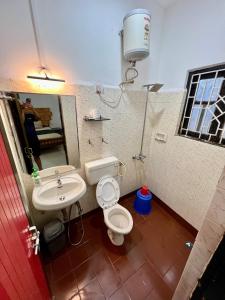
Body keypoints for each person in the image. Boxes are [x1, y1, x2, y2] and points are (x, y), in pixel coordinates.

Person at [21, 98, 43, 170]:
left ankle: (41, 169)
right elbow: (22, 122)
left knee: (36, 155)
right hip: (25, 138)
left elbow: (39, 117)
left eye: (29, 103)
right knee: (28, 157)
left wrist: (32, 109)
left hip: (33, 137)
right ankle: (31, 171)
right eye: (26, 103)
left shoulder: (30, 114)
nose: (27, 104)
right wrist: (23, 110)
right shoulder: (22, 113)